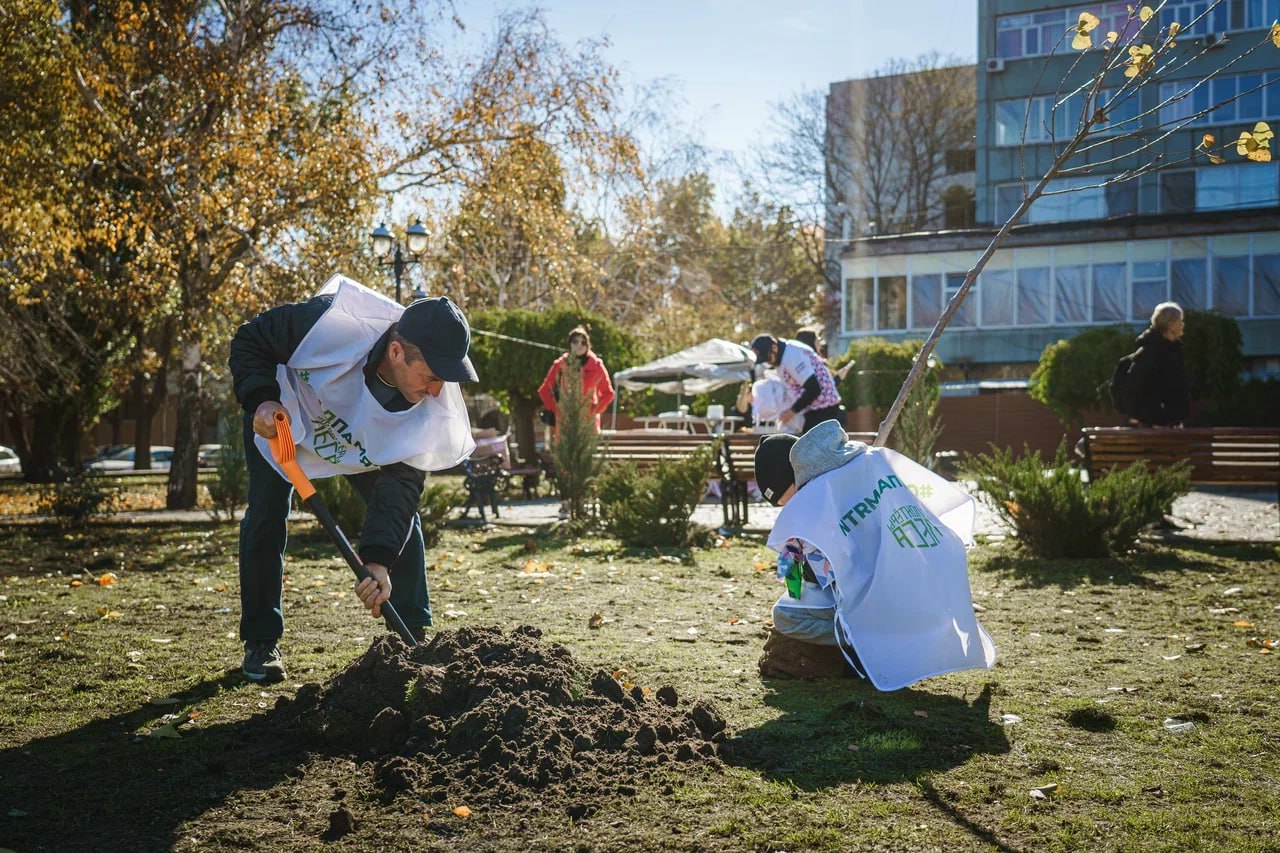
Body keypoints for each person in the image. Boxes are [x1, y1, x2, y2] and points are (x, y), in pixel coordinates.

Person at [229, 274, 476, 683]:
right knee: (265, 519)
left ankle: (412, 634)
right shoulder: (332, 324)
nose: (436, 391)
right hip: (284, 421)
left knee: (404, 524)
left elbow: (399, 492)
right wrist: (261, 398)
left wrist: (377, 562)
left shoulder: (432, 407)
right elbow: (250, 340)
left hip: (358, 443)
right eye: (430, 377)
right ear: (396, 351)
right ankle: (260, 642)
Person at [753, 420, 995, 688]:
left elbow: (825, 576)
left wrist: (797, 563)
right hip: (919, 585)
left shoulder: (819, 502)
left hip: (882, 602)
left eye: (787, 503)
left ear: (793, 478)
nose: (789, 511)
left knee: (786, 614)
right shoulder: (865, 467)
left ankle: (865, 639)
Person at [749, 334, 845, 433]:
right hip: (819, 408)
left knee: (810, 445)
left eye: (768, 358)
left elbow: (814, 389)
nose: (768, 362)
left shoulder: (791, 356)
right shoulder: (786, 352)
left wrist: (791, 412)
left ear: (774, 347)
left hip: (823, 409)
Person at [537, 326, 615, 433]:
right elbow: (544, 390)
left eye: (583, 342)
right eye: (575, 341)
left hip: (587, 425)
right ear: (569, 344)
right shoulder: (560, 365)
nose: (579, 345)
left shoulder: (596, 366)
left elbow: (608, 393)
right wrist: (556, 410)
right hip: (565, 423)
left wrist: (593, 411)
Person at [1129, 302, 1190, 427]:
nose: (1183, 325)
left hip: (1167, 424)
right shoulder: (1154, 352)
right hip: (1158, 426)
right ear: (1171, 325)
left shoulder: (1172, 350)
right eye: (1180, 321)